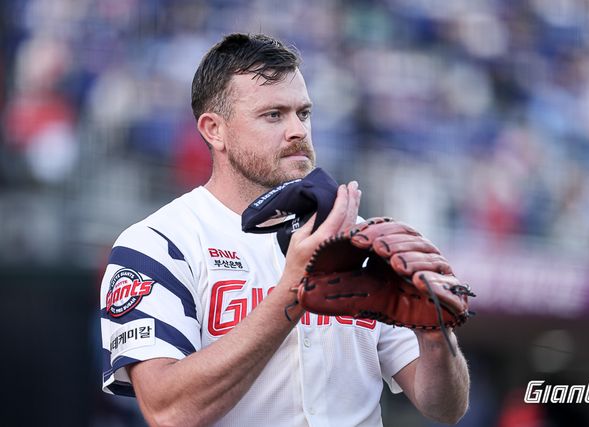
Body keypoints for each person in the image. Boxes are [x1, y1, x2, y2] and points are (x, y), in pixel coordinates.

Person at [100, 33, 470, 426]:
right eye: (273, 115)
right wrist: (292, 291)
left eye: (303, 113)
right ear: (214, 130)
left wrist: (436, 337)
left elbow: (446, 409)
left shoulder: (360, 239)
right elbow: (168, 411)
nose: (298, 131)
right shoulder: (159, 243)